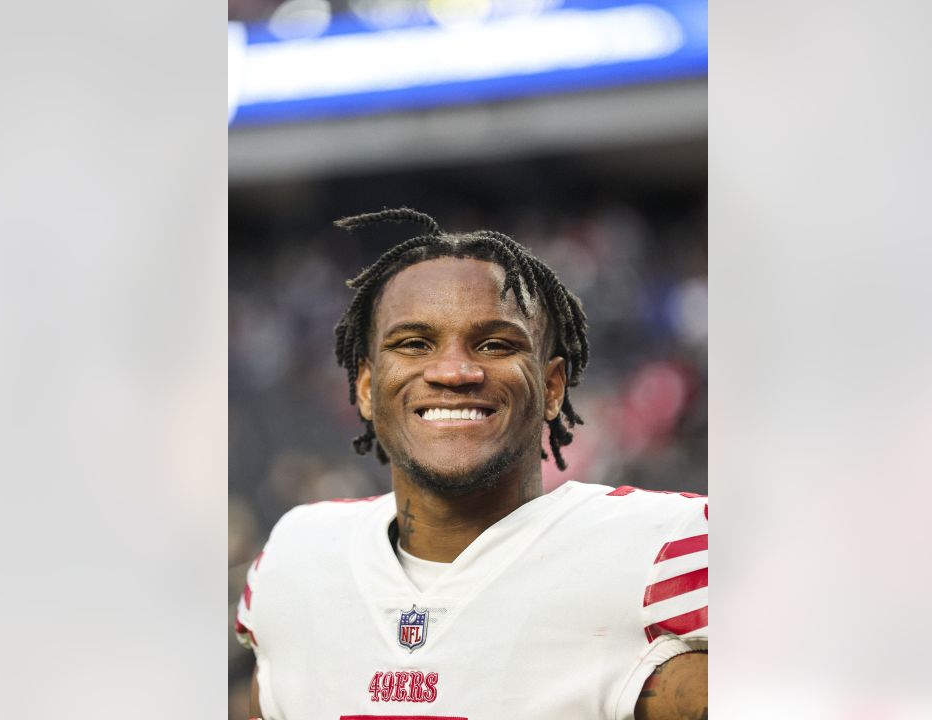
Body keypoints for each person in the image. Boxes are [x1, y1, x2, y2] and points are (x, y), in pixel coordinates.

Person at [236, 208, 708, 719]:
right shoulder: (294, 557)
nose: (454, 371)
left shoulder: (667, 545)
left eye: (495, 344)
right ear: (367, 388)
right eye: (414, 343)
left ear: (552, 387)